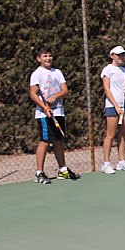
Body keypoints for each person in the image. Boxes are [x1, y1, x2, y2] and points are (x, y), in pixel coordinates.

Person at [28, 44, 78, 184]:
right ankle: (39, 173)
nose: (48, 58)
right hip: (44, 114)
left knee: (59, 140)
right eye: (44, 56)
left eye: (49, 55)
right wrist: (44, 107)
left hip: (58, 111)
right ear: (39, 58)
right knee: (45, 141)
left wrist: (54, 97)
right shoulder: (36, 74)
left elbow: (65, 90)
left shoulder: (57, 72)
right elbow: (33, 93)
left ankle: (63, 170)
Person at [100, 45, 125, 174]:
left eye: (123, 54)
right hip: (112, 106)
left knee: (123, 133)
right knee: (110, 135)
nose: (121, 57)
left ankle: (121, 161)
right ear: (112, 56)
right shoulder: (107, 70)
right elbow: (107, 89)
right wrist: (116, 106)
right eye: (118, 55)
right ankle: (106, 163)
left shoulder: (124, 70)